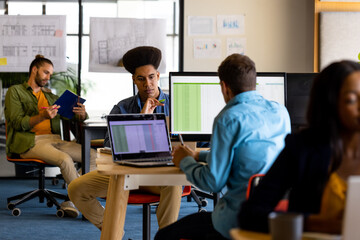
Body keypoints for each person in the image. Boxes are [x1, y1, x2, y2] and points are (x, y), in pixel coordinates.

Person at [154, 54, 291, 240]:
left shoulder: (228, 118)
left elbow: (213, 182)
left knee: (165, 236)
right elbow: (246, 158)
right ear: (254, 83)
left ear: (224, 87)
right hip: (275, 215)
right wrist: (198, 156)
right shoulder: (280, 112)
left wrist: (184, 161)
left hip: (238, 220)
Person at [238, 60, 360, 234]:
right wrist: (316, 224)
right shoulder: (303, 148)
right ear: (329, 104)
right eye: (351, 100)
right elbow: (250, 215)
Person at [68, 46, 183, 231]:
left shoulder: (176, 106)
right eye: (141, 79)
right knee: (76, 188)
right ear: (134, 80)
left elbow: (197, 143)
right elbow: (108, 147)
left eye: (151, 77)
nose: (148, 84)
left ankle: (166, 236)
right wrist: (142, 118)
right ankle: (110, 228)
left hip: (160, 176)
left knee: (174, 184)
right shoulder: (122, 108)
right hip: (125, 174)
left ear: (158, 75)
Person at [4, 54, 97, 217]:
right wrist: (42, 116)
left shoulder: (49, 96)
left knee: (95, 157)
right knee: (65, 160)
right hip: (30, 142)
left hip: (54, 140)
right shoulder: (16, 92)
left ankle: (72, 199)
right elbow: (16, 122)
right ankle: (83, 202)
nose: (48, 77)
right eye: (46, 72)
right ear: (34, 70)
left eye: (50, 74)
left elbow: (72, 116)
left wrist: (81, 114)